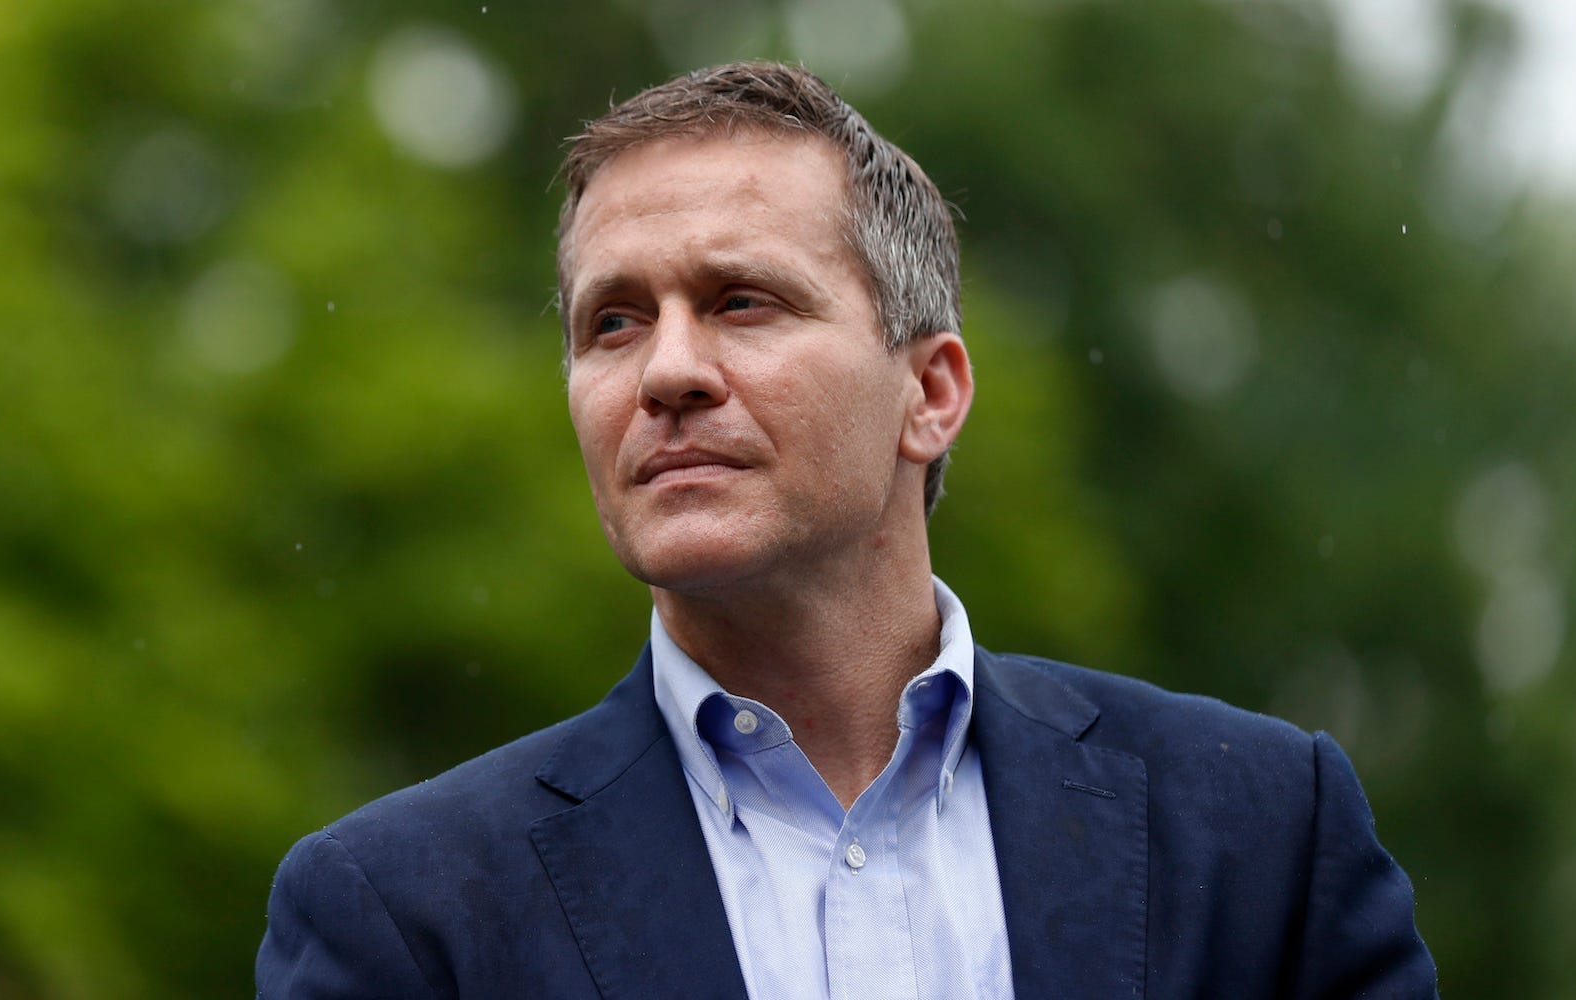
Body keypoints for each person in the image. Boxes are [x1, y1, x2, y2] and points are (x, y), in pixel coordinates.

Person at [256, 61, 1436, 999]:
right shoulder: (403, 912)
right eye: (611, 323)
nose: (666, 370)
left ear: (928, 393)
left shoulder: (1257, 837)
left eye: (740, 301)